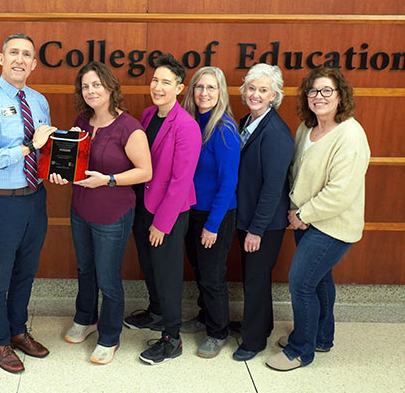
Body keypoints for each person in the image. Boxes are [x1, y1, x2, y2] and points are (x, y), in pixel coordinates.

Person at [266, 67, 370, 371]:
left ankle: (300, 350)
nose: (318, 97)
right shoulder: (306, 128)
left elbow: (341, 191)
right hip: (306, 221)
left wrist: (303, 214)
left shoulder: (350, 134)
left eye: (327, 91)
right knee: (320, 281)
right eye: (313, 91)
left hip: (332, 226)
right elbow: (298, 174)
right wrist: (298, 213)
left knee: (300, 283)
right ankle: (321, 337)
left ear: (341, 96)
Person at [0, 33, 57, 374]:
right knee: (0, 275)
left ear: (34, 64)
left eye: (27, 55)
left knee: (26, 272)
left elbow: (44, 149)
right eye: (13, 53)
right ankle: (0, 341)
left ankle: (19, 331)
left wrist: (55, 165)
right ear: (1, 58)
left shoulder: (38, 101)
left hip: (35, 198)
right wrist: (30, 148)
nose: (20, 59)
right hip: (1, 203)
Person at [50, 62, 152, 364]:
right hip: (80, 209)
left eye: (97, 85)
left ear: (110, 87)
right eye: (85, 86)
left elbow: (145, 172)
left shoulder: (129, 128)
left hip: (113, 215)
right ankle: (86, 318)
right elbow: (74, 162)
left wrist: (108, 180)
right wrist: (59, 173)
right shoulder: (81, 122)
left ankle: (109, 336)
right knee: (85, 269)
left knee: (108, 278)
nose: (91, 91)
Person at [122, 54, 202, 365]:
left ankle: (172, 337)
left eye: (166, 82)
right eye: (155, 80)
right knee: (149, 265)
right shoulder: (147, 114)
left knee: (167, 274)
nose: (157, 86)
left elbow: (181, 182)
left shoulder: (186, 126)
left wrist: (163, 224)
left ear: (179, 88)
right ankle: (156, 312)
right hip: (144, 205)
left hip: (168, 212)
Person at [232, 63, 294, 361]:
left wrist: (256, 229)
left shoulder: (276, 133)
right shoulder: (247, 121)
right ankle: (261, 325)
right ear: (244, 90)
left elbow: (273, 188)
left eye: (263, 90)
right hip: (248, 217)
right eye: (252, 88)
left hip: (264, 224)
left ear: (275, 96)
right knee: (255, 277)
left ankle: (253, 341)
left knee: (255, 279)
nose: (256, 94)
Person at [179, 66, 240, 359]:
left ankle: (218, 332)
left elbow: (229, 183)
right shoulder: (189, 122)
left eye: (211, 88)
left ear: (221, 93)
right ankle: (205, 317)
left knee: (213, 276)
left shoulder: (224, 129)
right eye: (199, 87)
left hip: (216, 215)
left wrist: (213, 225)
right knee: (200, 270)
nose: (204, 93)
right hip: (191, 210)